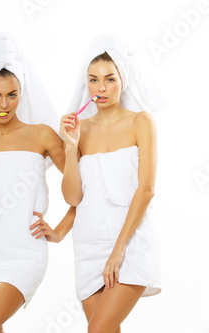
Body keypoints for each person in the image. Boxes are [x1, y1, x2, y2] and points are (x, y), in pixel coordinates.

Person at [0, 33, 75, 333]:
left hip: (24, 252)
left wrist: (60, 230)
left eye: (12, 94)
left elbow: (83, 188)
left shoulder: (43, 135)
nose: (4, 104)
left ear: (22, 92)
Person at [59, 33, 166, 332]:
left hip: (129, 244)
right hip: (88, 245)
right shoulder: (81, 130)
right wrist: (70, 147)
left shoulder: (140, 122)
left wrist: (118, 250)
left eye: (110, 79)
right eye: (93, 80)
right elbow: (73, 197)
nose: (101, 88)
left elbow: (146, 189)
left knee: (97, 329)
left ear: (124, 80)